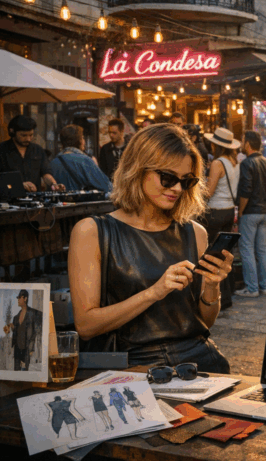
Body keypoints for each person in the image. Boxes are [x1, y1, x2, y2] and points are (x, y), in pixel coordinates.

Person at [68, 124, 233, 372]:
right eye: (167, 178)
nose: (177, 188)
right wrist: (154, 292)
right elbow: (86, 326)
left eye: (186, 181)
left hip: (196, 361)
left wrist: (212, 286)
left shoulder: (194, 233)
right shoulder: (92, 232)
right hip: (130, 364)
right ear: (137, 170)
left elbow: (204, 324)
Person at [235, 131, 266, 298]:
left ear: (248, 144)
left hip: (251, 211)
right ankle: (264, 286)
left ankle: (252, 288)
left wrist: (241, 211)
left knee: (246, 248)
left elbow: (246, 190)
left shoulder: (247, 163)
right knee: (262, 249)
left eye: (243, 141)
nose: (241, 145)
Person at [202, 127, 240, 307]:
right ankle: (228, 294)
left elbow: (209, 192)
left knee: (213, 255)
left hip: (216, 211)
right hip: (229, 210)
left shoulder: (218, 163)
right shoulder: (234, 162)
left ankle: (220, 297)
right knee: (226, 253)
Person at [0, 115, 64, 192]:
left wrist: (54, 184)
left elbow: (46, 172)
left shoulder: (38, 150)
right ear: (12, 132)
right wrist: (19, 184)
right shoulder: (2, 150)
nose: (28, 139)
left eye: (31, 135)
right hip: (9, 199)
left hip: (34, 199)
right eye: (23, 135)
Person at [50, 124, 113, 193]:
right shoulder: (85, 160)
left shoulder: (53, 163)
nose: (84, 141)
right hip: (82, 203)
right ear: (79, 141)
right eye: (82, 138)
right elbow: (107, 186)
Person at [3, 289, 43, 371]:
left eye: (19, 298)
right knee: (17, 371)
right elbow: (17, 332)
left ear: (25, 299)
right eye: (17, 298)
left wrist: (32, 348)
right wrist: (11, 327)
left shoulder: (33, 313)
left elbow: (36, 330)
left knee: (25, 372)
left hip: (27, 349)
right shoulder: (16, 317)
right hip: (17, 350)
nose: (18, 300)